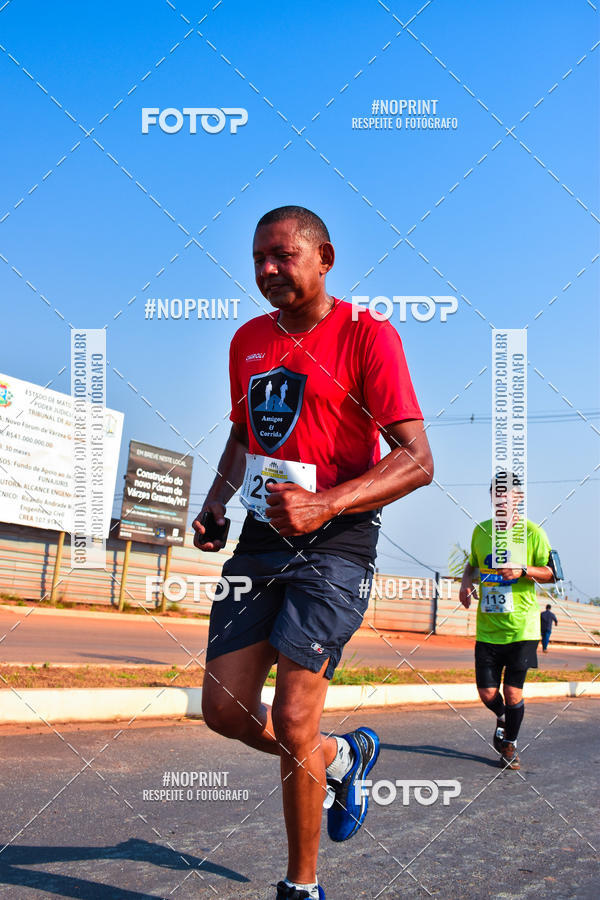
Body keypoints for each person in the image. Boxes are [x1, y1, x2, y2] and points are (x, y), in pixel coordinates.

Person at [192, 205, 432, 900]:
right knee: (225, 711)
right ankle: (340, 756)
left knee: (294, 715)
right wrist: (216, 500)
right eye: (258, 257)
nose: (268, 269)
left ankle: (301, 886)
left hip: (338, 539)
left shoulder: (368, 337)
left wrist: (326, 503)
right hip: (264, 536)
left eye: (283, 256)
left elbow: (417, 460)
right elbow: (243, 434)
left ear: (323, 257)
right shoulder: (246, 342)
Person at [459, 473, 556, 770]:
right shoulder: (480, 531)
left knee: (513, 691)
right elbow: (472, 565)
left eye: (507, 494)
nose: (501, 500)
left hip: (522, 627)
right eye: (496, 494)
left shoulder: (533, 532)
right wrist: (465, 584)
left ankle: (509, 744)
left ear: (519, 498)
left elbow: (552, 573)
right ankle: (503, 717)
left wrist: (523, 570)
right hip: (488, 627)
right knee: (487, 693)